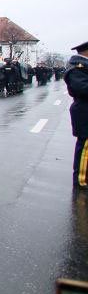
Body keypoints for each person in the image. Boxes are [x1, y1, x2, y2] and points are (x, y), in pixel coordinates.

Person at [65, 40, 88, 189]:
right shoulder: (77, 68)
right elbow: (82, 88)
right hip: (84, 110)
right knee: (85, 147)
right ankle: (81, 180)